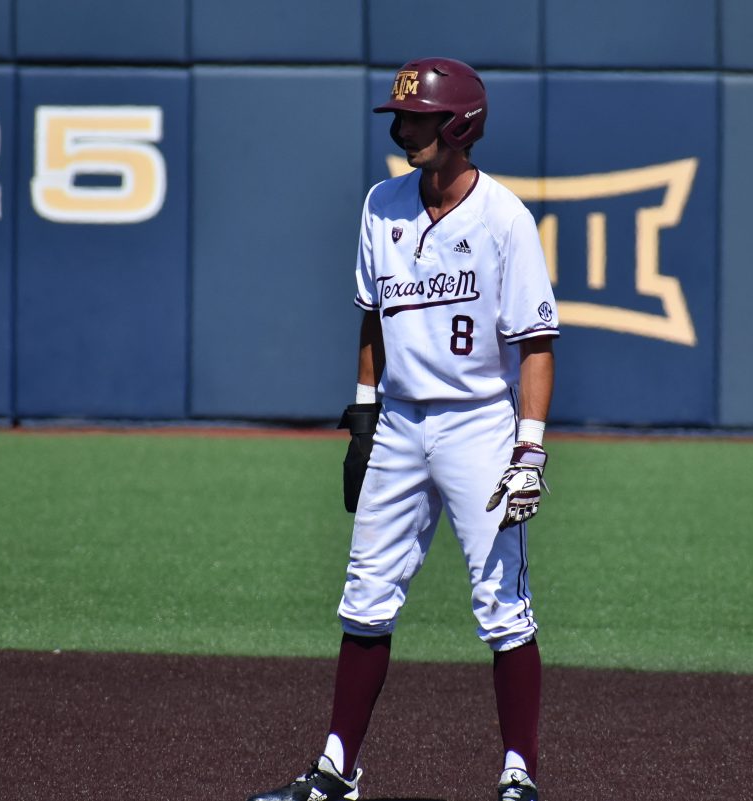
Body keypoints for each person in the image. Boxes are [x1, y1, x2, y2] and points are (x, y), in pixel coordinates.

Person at [246, 57, 560, 801]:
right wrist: (362, 413)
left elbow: (536, 343)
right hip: (399, 421)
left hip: (480, 424)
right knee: (365, 596)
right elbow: (372, 314)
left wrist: (530, 448)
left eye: (415, 118)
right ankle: (334, 769)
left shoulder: (505, 217)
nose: (401, 128)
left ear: (459, 124)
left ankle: (520, 774)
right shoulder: (382, 203)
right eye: (399, 116)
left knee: (501, 605)